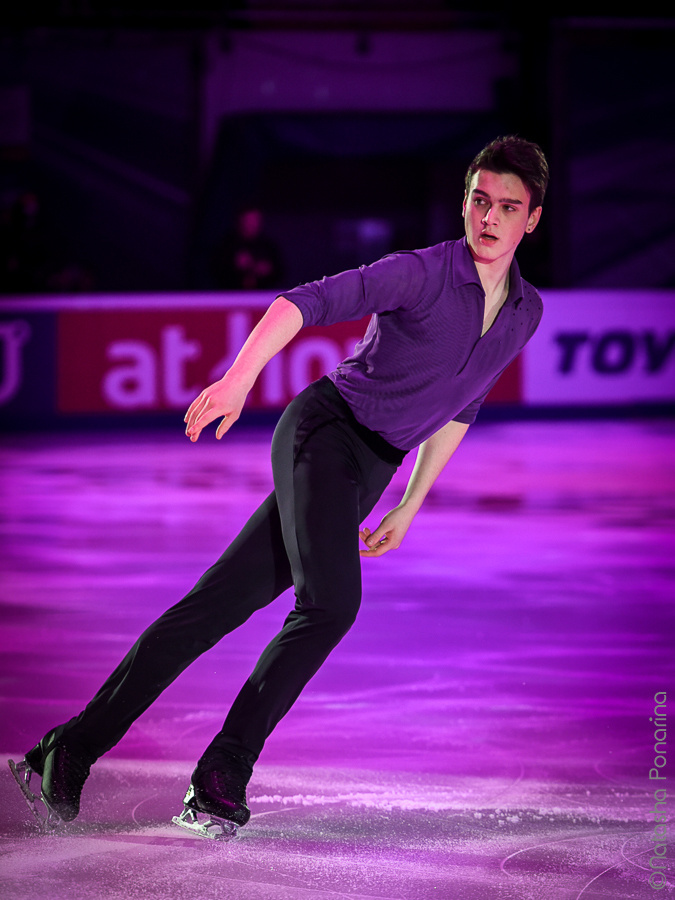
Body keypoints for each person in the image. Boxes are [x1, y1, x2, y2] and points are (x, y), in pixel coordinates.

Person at [10, 135, 548, 839]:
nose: (488, 217)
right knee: (329, 605)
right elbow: (303, 302)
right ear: (464, 201)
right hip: (322, 434)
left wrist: (410, 502)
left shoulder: (523, 313)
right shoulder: (419, 274)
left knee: (209, 610)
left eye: (507, 207)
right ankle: (221, 775)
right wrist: (239, 378)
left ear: (530, 220)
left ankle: (69, 749)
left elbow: (462, 404)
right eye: (479, 199)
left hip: (371, 468)